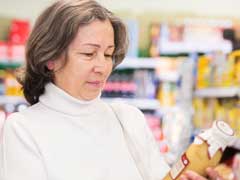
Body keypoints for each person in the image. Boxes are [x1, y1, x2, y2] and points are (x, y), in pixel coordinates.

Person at [0, 0, 223, 180]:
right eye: (88, 54)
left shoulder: (128, 119)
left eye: (108, 54)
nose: (103, 67)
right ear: (50, 58)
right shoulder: (24, 129)